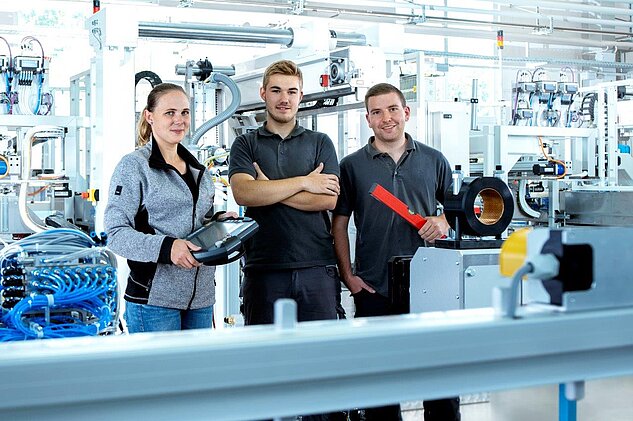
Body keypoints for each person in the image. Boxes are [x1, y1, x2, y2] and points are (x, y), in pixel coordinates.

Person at [332, 83, 461, 421]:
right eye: (377, 112)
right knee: (379, 385)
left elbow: (458, 213)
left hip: (431, 286)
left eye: (392, 110)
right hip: (375, 285)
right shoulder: (351, 166)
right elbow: (339, 224)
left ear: (406, 113)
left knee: (441, 383)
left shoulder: (434, 160)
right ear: (368, 119)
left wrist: (443, 220)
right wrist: (349, 276)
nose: (386, 118)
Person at [105, 82, 235, 333]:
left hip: (201, 301)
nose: (179, 120)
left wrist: (218, 222)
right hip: (154, 302)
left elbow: (198, 221)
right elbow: (116, 234)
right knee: (159, 374)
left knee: (198, 373)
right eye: (170, 113)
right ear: (149, 117)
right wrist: (168, 247)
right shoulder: (135, 167)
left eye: (185, 113)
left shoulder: (199, 169)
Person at [228, 59, 342, 328]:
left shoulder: (320, 142)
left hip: (316, 266)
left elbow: (327, 199)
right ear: (263, 93)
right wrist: (305, 181)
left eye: (292, 92)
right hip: (264, 269)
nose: (284, 99)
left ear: (301, 96)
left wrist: (268, 187)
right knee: (266, 359)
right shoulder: (245, 144)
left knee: (319, 358)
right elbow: (244, 193)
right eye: (277, 90)